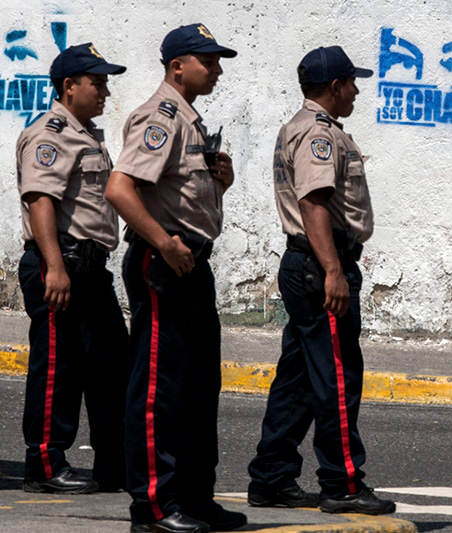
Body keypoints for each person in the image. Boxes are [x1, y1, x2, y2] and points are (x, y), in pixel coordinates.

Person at [104, 23, 244, 533]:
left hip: (191, 262)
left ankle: (194, 497)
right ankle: (154, 507)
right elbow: (120, 189)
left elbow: (182, 197)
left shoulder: (190, 121)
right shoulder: (159, 117)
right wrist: (163, 242)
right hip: (163, 262)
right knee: (159, 387)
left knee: (198, 385)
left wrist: (219, 185)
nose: (217, 69)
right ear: (177, 65)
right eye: (208, 60)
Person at [247, 45, 395, 516]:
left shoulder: (300, 127)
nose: (356, 91)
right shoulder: (318, 134)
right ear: (334, 87)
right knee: (336, 378)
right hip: (319, 265)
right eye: (352, 83)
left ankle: (271, 477)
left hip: (307, 264)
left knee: (298, 379)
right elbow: (314, 204)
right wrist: (333, 270)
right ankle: (342, 482)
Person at [16, 43, 128, 495]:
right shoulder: (51, 134)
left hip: (90, 268)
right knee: (58, 368)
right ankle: (45, 462)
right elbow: (40, 200)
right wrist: (55, 267)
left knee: (109, 366)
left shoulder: (86, 135)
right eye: (96, 83)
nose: (104, 91)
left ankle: (113, 464)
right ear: (69, 86)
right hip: (59, 263)